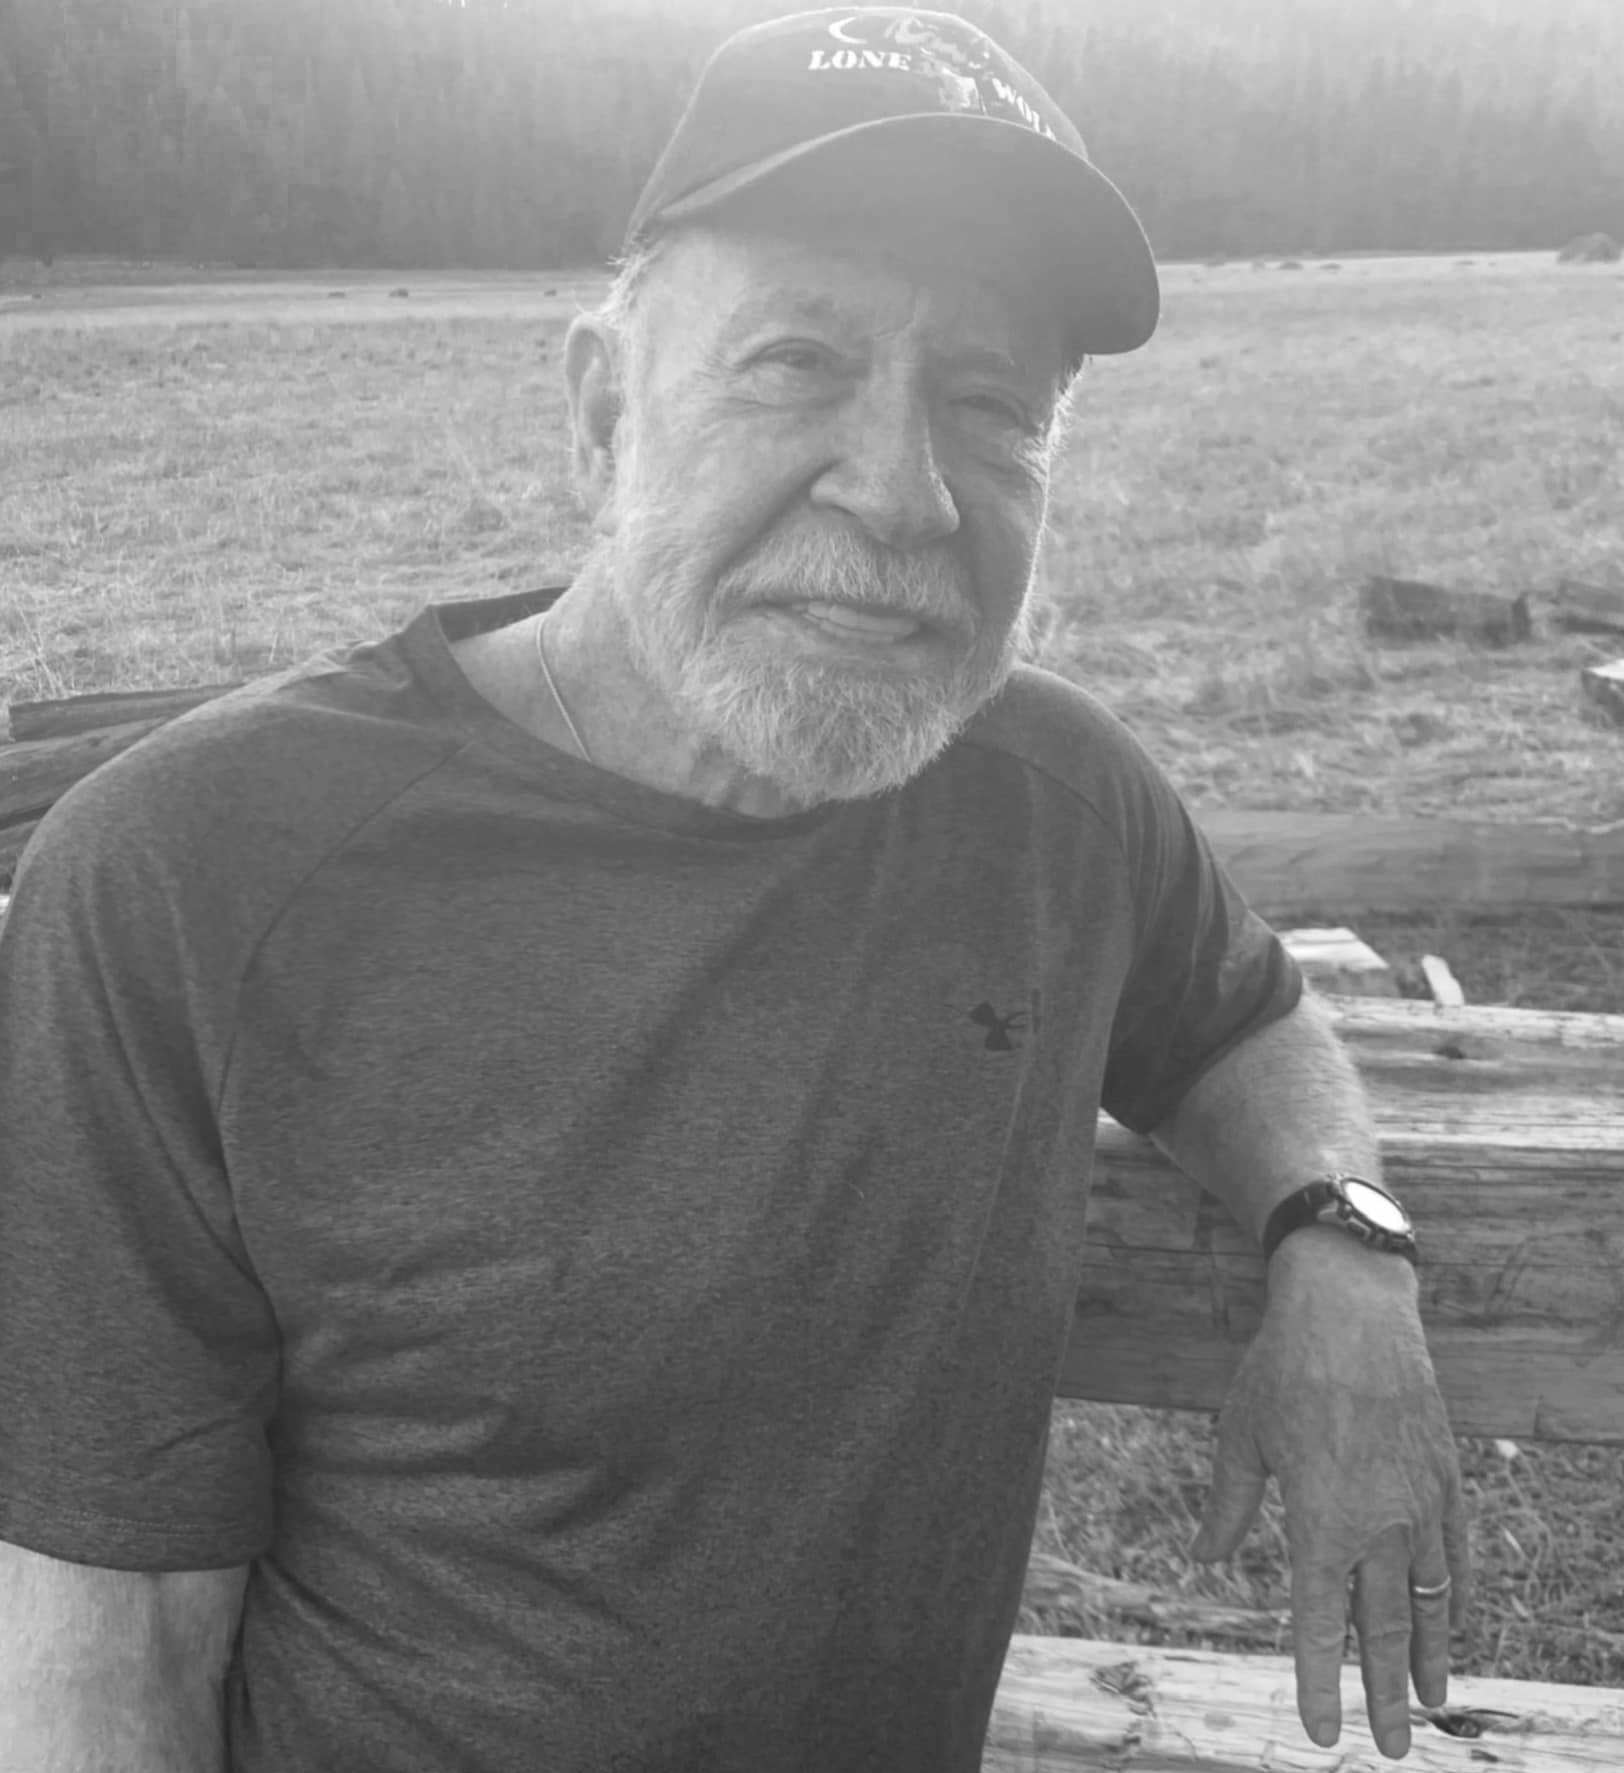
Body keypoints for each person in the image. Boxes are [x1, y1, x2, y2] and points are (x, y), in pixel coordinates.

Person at [0, 10, 1467, 1771]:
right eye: (794, 361)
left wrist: (1344, 1249)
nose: (906, 494)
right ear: (603, 410)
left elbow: (1238, 1018)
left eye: (991, 405)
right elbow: (112, 1650)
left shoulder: (1051, 804)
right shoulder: (191, 882)